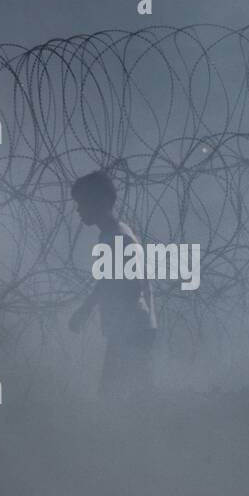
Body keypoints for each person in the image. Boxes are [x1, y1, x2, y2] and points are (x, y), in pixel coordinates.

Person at [68, 170, 157, 398]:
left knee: (115, 399)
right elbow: (108, 281)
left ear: (102, 201)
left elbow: (133, 284)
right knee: (129, 398)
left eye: (83, 202)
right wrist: (87, 310)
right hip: (132, 329)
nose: (79, 210)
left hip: (131, 330)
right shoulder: (115, 234)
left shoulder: (117, 236)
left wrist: (91, 310)